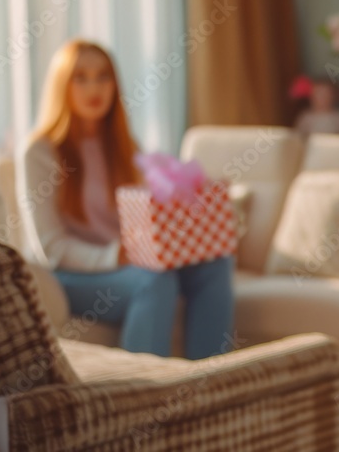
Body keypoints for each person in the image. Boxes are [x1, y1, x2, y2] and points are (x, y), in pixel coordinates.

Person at [17, 39, 235, 360]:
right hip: (68, 275)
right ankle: (139, 397)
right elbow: (50, 248)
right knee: (155, 281)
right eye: (81, 77)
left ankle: (210, 383)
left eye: (103, 76)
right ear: (62, 84)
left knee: (216, 263)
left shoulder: (125, 146)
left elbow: (147, 217)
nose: (95, 87)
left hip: (127, 263)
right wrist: (115, 255)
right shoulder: (39, 152)